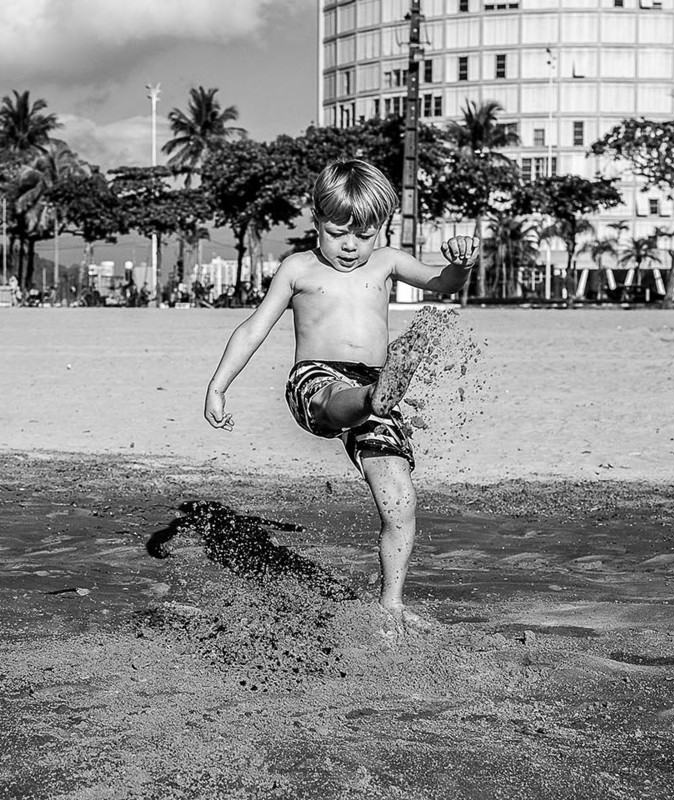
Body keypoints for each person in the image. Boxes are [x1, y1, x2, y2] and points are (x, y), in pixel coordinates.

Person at [203, 159, 479, 635]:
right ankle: (374, 395)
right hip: (316, 381)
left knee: (401, 500)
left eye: (365, 235)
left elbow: (443, 285)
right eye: (337, 233)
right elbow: (254, 329)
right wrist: (218, 385)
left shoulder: (388, 261)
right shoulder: (298, 268)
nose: (351, 246)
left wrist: (461, 261)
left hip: (375, 379)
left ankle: (390, 606)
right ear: (315, 220)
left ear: (382, 229)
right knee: (338, 398)